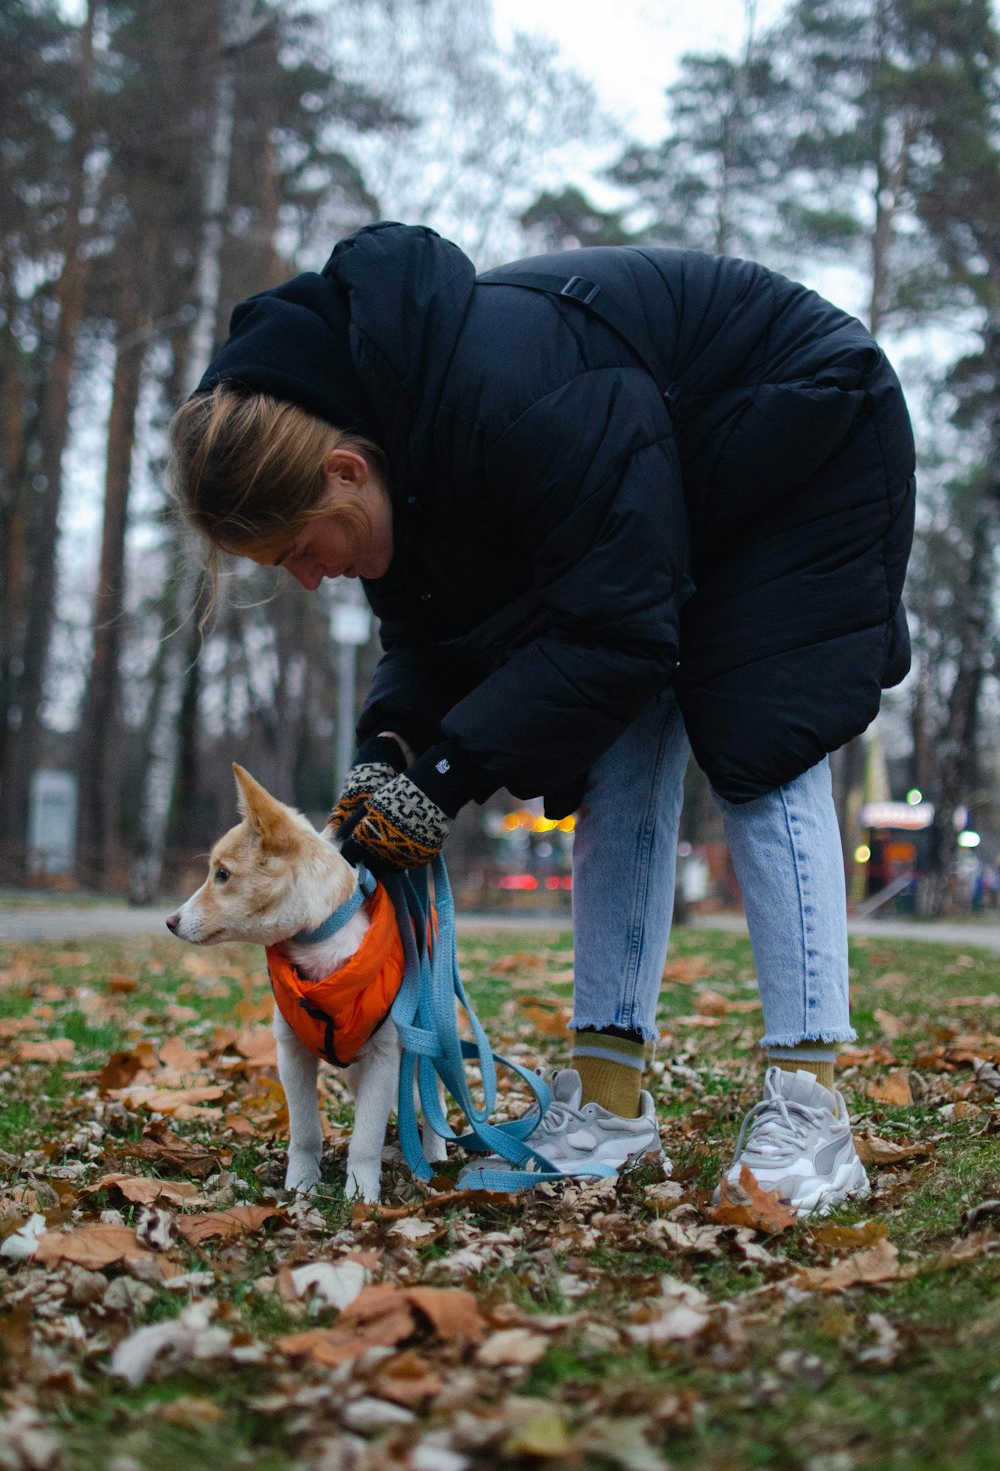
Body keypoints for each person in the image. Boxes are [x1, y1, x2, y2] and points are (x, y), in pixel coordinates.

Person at [169, 221, 915, 1214]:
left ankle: (809, 1109)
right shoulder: (413, 454)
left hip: (799, 428)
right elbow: (435, 643)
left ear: (346, 470)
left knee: (757, 735)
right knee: (612, 755)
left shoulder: (513, 394)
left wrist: (446, 779)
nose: (310, 578)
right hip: (670, 479)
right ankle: (606, 1099)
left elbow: (615, 633)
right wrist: (389, 755)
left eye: (304, 548)